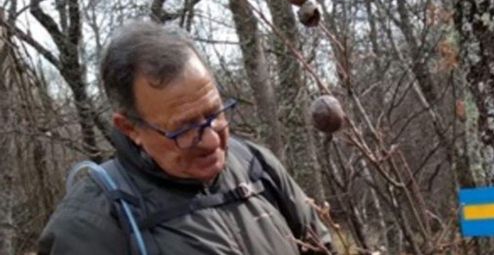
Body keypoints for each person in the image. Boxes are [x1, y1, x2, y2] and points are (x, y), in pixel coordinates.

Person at [38, 20, 334, 254]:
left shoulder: (257, 169)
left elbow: (321, 247)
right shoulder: (90, 225)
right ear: (131, 128)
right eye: (184, 128)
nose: (211, 141)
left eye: (214, 114)